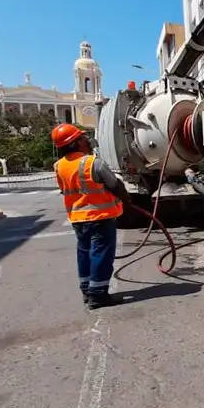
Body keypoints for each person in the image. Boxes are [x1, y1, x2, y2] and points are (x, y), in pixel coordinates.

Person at [51, 123, 133, 310]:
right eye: (82, 138)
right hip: (99, 217)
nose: (86, 140)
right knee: (101, 255)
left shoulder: (59, 166)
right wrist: (127, 203)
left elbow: (66, 190)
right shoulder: (93, 162)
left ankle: (87, 291)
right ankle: (98, 295)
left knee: (84, 253)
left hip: (77, 219)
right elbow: (114, 184)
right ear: (75, 143)